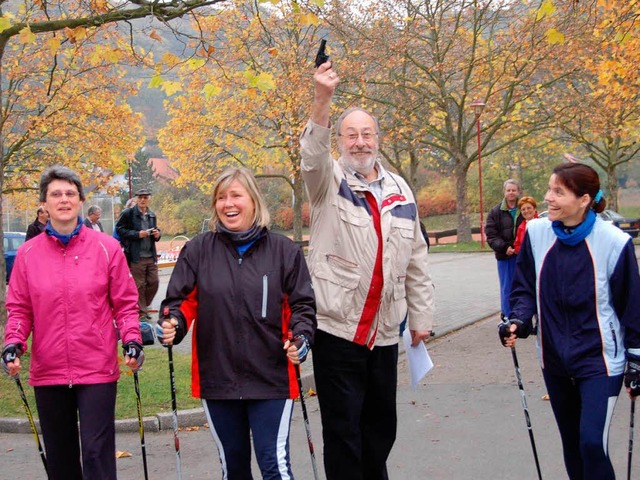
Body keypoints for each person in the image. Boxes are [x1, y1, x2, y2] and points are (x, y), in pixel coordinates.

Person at [300, 60, 435, 479]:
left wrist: (422, 317)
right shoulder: (328, 180)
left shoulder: (400, 189)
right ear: (339, 140)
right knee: (343, 431)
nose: (359, 142)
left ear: (378, 139)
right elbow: (311, 154)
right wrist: (323, 99)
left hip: (385, 330)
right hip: (338, 329)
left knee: (381, 428)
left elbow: (416, 256)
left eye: (366, 134)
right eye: (350, 134)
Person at [157, 167, 316, 479]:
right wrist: (173, 322)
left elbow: (302, 305)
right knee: (233, 469)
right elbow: (180, 301)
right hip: (218, 378)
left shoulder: (283, 250)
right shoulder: (199, 250)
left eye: (235, 195)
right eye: (221, 197)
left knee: (275, 466)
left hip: (271, 377)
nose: (228, 204)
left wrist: (301, 338)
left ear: (253, 201)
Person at [499, 162, 640, 480]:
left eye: (558, 192)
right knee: (573, 445)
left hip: (600, 361)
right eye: (549, 189)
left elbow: (631, 306)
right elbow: (523, 290)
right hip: (555, 359)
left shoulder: (613, 243)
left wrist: (636, 360)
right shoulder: (537, 233)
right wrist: (518, 321)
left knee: (591, 443)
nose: (548, 197)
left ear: (584, 199)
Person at [1, 165, 144, 480]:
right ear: (45, 204)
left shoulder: (107, 249)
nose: (63, 200)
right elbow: (20, 308)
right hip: (48, 370)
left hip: (96, 368)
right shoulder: (26, 255)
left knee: (96, 455)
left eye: (70, 193)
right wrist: (13, 342)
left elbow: (125, 303)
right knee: (61, 460)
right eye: (55, 194)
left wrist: (131, 338)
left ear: (80, 200)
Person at [115, 188, 161, 320]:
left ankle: (143, 307)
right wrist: (137, 234)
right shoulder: (128, 213)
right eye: (140, 197)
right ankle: (141, 311)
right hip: (136, 256)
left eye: (145, 197)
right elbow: (119, 229)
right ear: (136, 199)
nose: (142, 200)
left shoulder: (152, 215)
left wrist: (157, 234)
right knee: (139, 285)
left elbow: (155, 231)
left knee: (154, 282)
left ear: (149, 199)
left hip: (150, 255)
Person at [485, 179, 523, 319]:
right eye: (508, 190)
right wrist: (504, 247)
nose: (511, 193)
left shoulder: (525, 208)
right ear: (504, 192)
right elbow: (491, 235)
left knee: (523, 286)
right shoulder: (495, 212)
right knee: (507, 287)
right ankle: (508, 316)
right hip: (505, 256)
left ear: (518, 191)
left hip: (522, 255)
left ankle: (523, 316)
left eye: (514, 190)